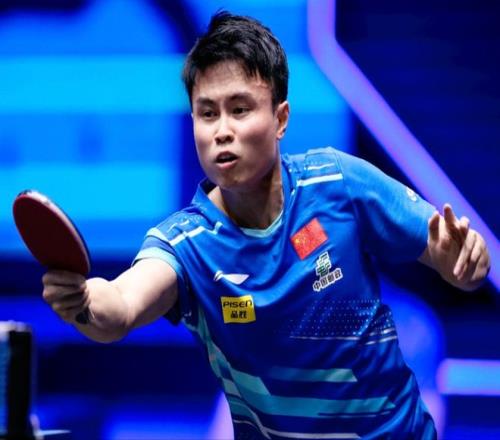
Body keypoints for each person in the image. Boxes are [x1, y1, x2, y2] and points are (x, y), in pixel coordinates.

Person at [42, 11, 491, 439]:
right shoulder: (186, 244)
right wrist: (85, 302)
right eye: (207, 113)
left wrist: (465, 260)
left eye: (240, 109)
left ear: (280, 119)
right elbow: (120, 306)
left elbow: (458, 259)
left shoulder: (338, 182)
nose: (222, 131)